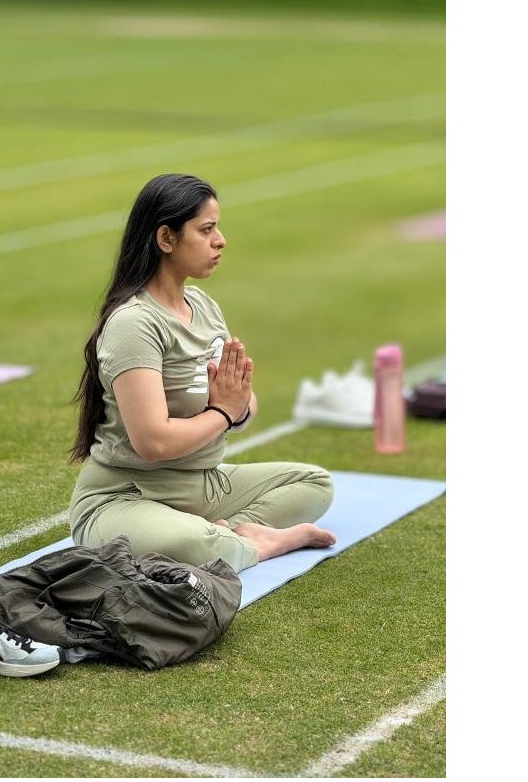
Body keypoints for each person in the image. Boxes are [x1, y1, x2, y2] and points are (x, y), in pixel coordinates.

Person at [68, 173, 336, 573]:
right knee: (193, 541)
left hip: (200, 485)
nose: (220, 240)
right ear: (166, 239)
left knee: (315, 483)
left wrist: (237, 407)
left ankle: (225, 533)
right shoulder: (134, 323)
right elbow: (153, 443)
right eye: (206, 229)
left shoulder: (203, 306)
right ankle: (259, 543)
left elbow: (241, 402)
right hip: (125, 496)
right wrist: (224, 413)